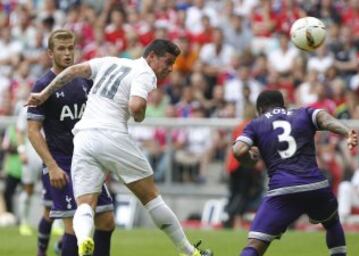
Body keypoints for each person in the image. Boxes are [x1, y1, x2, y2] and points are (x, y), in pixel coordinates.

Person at [26, 39, 213, 256]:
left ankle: (84, 240)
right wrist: (140, 116)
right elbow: (136, 105)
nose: (170, 69)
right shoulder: (145, 73)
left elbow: (75, 70)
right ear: (151, 56)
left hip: (84, 137)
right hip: (111, 134)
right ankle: (190, 251)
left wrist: (43, 94)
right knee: (151, 197)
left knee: (85, 204)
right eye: (168, 62)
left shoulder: (110, 62)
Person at [232, 90, 358, 256]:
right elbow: (324, 118)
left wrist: (251, 159)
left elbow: (238, 151)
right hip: (315, 185)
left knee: (256, 243)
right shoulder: (303, 113)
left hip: (283, 190)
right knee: (332, 222)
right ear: (282, 105)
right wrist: (347, 132)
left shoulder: (256, 123)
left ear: (261, 109)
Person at [27, 29, 115, 256]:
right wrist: (52, 166)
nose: (67, 54)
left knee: (106, 221)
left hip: (88, 160)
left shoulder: (85, 80)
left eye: (71, 48)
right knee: (74, 229)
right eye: (61, 49)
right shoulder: (43, 85)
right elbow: (33, 131)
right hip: (62, 163)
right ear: (50, 53)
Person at [16, 105, 43, 236]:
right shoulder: (26, 109)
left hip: (47, 153)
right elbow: (20, 131)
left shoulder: (54, 103)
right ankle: (24, 222)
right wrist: (21, 151)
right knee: (28, 189)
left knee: (53, 189)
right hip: (31, 154)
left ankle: (57, 223)